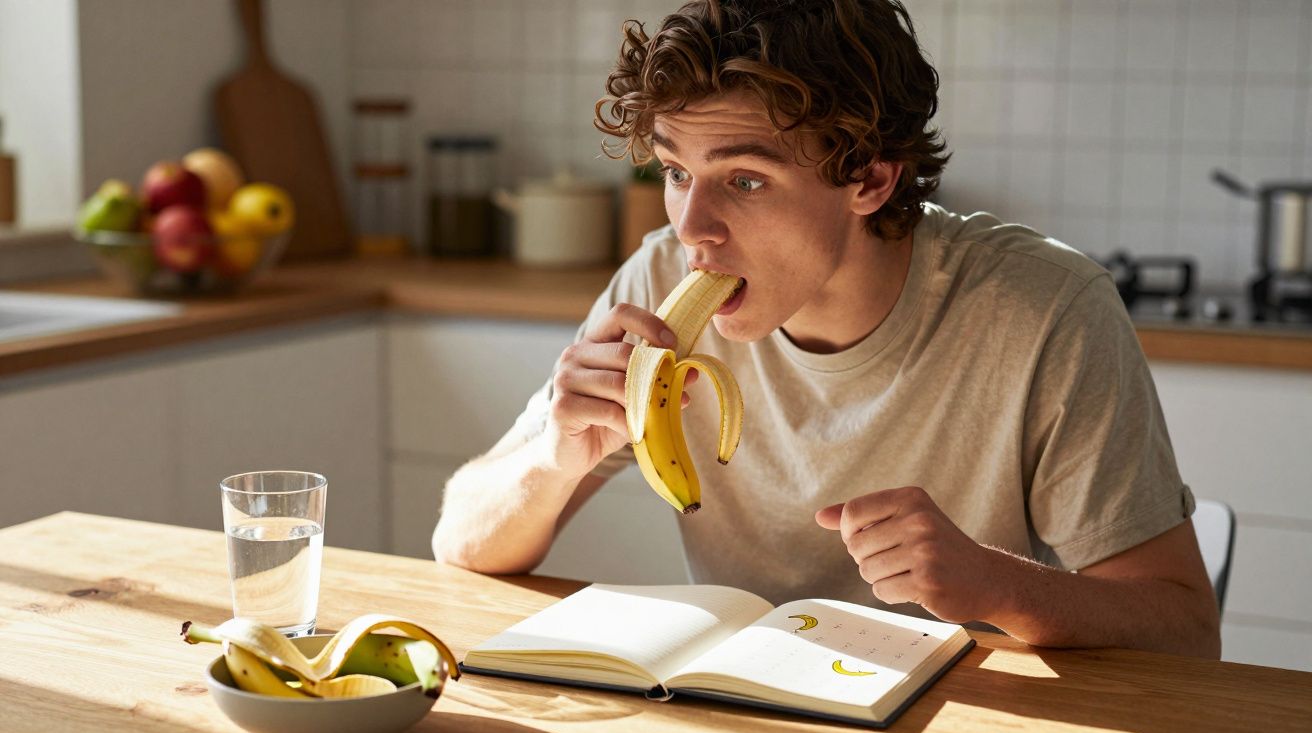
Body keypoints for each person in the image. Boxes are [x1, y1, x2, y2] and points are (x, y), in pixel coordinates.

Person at [433, 0, 1220, 658]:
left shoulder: (1046, 311)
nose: (694, 228)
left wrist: (998, 586)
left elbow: (1187, 631)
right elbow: (459, 543)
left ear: (870, 178)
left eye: (744, 180)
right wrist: (552, 460)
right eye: (676, 173)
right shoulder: (656, 281)